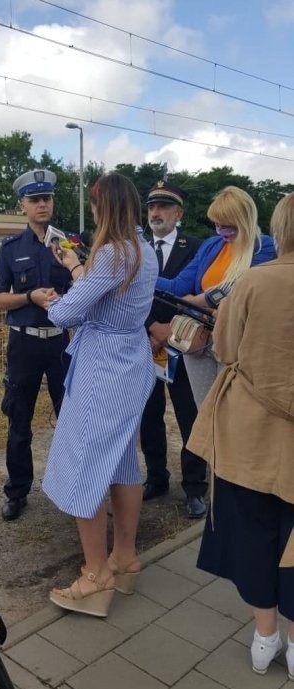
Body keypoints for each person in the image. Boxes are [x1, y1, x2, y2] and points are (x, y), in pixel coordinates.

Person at [37, 173, 158, 617]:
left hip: (103, 368)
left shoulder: (112, 254)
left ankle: (95, 576)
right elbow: (106, 291)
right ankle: (124, 558)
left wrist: (54, 293)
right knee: (124, 461)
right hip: (133, 361)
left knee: (85, 468)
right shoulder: (143, 253)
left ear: (105, 207)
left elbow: (69, 310)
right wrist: (78, 268)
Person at [187, 192, 294, 679]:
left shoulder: (252, 282)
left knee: (251, 530)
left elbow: (226, 348)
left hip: (250, 435)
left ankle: (264, 636)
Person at [0, 169, 72, 521]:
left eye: (47, 198)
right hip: (24, 344)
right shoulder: (11, 249)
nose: (42, 204)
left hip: (60, 345)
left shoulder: (68, 245)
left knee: (69, 419)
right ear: (22, 205)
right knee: (19, 422)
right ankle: (17, 490)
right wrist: (30, 297)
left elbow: (83, 285)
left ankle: (71, 489)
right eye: (35, 199)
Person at [156, 186, 276, 409]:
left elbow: (238, 286)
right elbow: (178, 285)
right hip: (199, 340)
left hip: (235, 342)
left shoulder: (263, 247)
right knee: (205, 411)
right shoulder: (211, 245)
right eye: (217, 224)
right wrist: (140, 274)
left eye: (228, 225)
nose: (221, 230)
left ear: (244, 219)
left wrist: (199, 301)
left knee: (232, 412)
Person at [140, 181, 207, 518]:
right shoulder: (136, 249)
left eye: (164, 207)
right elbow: (129, 295)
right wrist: (152, 327)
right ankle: (156, 478)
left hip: (182, 345)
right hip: (146, 343)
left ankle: (195, 488)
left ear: (178, 213)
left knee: (189, 418)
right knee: (148, 416)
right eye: (152, 206)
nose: (156, 212)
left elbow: (201, 293)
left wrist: (171, 330)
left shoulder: (196, 247)